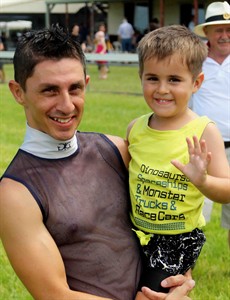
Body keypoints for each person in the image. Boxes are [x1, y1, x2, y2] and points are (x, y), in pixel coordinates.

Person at [0, 24, 193, 300]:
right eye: (50, 91)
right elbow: (54, 295)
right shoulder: (15, 194)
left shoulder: (115, 150)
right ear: (18, 92)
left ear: (86, 85)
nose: (67, 105)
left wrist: (178, 280)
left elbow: (175, 219)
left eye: (75, 88)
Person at [126, 25, 230, 299]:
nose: (162, 89)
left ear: (196, 83)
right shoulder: (135, 129)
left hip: (177, 239)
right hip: (135, 233)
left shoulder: (204, 131)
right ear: (140, 77)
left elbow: (228, 189)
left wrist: (203, 181)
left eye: (174, 79)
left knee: (150, 295)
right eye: (152, 78)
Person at [190, 1, 230, 247]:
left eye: (229, 29)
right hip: (205, 148)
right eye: (219, 30)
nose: (225, 35)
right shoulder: (195, 62)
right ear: (206, 32)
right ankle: (186, 270)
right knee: (195, 212)